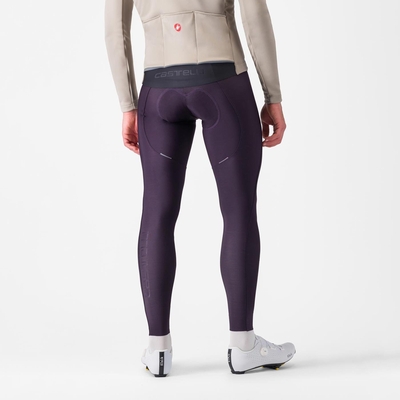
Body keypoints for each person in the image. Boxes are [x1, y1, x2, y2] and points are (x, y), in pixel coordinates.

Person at [104, 0, 296, 377]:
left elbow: (115, 30)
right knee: (239, 211)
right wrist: (272, 96)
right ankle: (243, 345)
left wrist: (128, 104)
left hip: (158, 88)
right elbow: (255, 15)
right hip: (223, 80)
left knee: (157, 213)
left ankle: (158, 350)